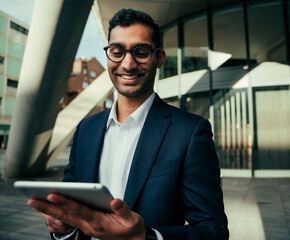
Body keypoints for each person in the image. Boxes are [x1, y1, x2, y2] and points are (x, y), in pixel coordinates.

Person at [28, 8, 229, 240]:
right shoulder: (86, 130)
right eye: (117, 51)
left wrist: (144, 237)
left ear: (159, 58)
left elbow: (213, 230)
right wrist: (63, 227)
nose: (128, 63)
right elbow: (71, 213)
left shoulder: (190, 133)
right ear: (108, 56)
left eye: (141, 52)